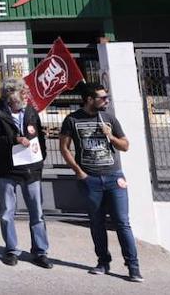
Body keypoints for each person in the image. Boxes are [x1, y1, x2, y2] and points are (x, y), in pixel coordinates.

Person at [60, 83, 142, 282]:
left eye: (107, 97)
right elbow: (64, 148)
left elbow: (125, 146)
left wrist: (110, 136)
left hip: (114, 177)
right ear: (89, 99)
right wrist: (79, 172)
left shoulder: (109, 119)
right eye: (102, 97)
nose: (106, 101)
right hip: (90, 180)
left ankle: (133, 267)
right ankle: (103, 262)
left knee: (122, 222)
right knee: (96, 223)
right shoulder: (72, 120)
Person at [0, 78, 51, 268]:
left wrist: (40, 159)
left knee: (37, 213)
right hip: (7, 171)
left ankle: (40, 251)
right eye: (23, 92)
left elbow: (41, 137)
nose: (26, 95)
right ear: (11, 95)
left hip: (31, 171)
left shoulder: (30, 111)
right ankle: (11, 250)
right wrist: (13, 139)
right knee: (7, 212)